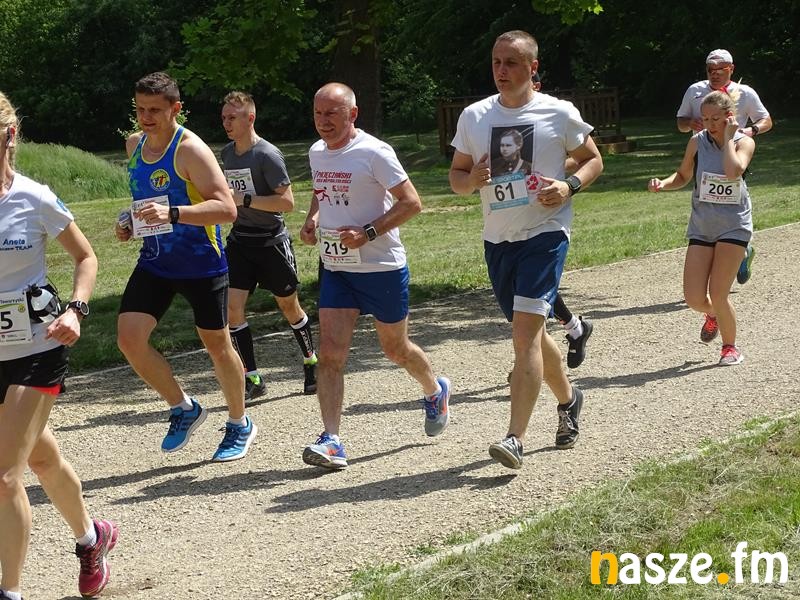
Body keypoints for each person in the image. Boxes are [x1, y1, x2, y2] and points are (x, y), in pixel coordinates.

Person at [449, 30, 603, 469]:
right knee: (531, 334)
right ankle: (569, 399)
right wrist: (471, 181)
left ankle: (514, 438)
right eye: (497, 62)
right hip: (498, 240)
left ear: (533, 68)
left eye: (512, 63)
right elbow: (456, 177)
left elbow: (593, 160)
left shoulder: (557, 112)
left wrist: (568, 186)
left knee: (523, 337)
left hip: (546, 233)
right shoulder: (475, 116)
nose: (502, 70)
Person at [0, 91, 117, 599]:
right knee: (41, 460)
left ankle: (9, 590)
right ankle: (92, 538)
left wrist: (76, 309)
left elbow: (86, 257)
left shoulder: (34, 197)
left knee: (5, 476)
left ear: (8, 136)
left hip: (36, 348)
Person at [299, 83, 451, 469]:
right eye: (318, 113)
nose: (323, 121)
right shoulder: (317, 152)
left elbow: (412, 202)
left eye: (332, 113)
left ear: (353, 114)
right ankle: (332, 439)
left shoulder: (374, 152)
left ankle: (434, 390)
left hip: (381, 268)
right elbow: (321, 190)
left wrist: (367, 232)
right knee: (330, 354)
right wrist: (313, 218)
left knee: (395, 350)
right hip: (337, 269)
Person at [115, 72, 257, 462]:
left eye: (155, 110)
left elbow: (226, 209)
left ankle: (239, 423)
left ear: (175, 108)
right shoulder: (134, 145)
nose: (146, 118)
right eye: (140, 109)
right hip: (156, 261)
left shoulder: (191, 150)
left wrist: (174, 213)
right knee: (129, 339)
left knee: (217, 345)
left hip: (201, 263)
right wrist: (129, 222)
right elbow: (147, 201)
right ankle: (183, 407)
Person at [220, 91, 318, 400]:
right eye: (223, 118)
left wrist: (244, 199)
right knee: (232, 309)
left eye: (232, 117)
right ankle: (253, 378)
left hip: (271, 242)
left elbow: (287, 202)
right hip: (240, 242)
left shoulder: (267, 155)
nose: (226, 123)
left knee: (288, 306)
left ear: (250, 118)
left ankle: (311, 361)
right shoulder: (227, 153)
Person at [650, 90, 754, 366]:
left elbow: (733, 172)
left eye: (715, 119)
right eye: (705, 119)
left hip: (734, 225)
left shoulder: (744, 142)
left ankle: (730, 347)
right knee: (694, 298)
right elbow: (683, 175)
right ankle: (714, 314)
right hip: (702, 225)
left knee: (719, 293)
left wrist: (728, 138)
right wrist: (663, 183)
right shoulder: (697, 142)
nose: (709, 124)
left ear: (729, 117)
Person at [676, 49, 771, 286]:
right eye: (711, 70)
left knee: (732, 193)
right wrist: (690, 123)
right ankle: (730, 251)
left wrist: (748, 132)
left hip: (734, 150)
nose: (715, 73)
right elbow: (680, 122)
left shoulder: (745, 92)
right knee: (708, 201)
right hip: (703, 152)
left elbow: (766, 120)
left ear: (731, 69)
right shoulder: (695, 90)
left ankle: (740, 247)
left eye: (721, 69)